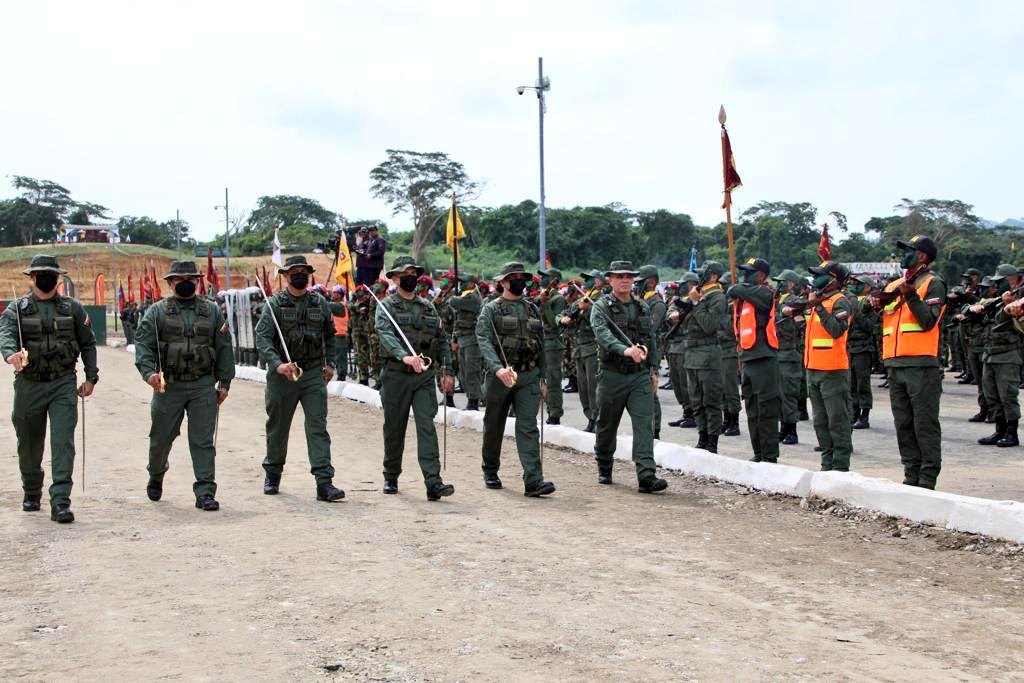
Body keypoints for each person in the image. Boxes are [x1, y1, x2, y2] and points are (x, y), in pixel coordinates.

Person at [0, 255, 97, 523]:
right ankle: (31, 491)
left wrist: (91, 376)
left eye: (50, 274)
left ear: (58, 278)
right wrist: (10, 354)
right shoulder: (17, 308)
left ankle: (61, 502)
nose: (45, 277)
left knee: (62, 441)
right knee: (29, 443)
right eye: (40, 273)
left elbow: (88, 343)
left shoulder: (73, 308)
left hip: (63, 383)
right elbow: (5, 333)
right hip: (29, 383)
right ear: (31, 278)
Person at [134, 261, 235, 510]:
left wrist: (225, 381)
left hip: (202, 384)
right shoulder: (157, 312)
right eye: (180, 279)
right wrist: (148, 373)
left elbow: (223, 347)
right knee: (160, 440)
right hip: (169, 386)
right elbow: (143, 345)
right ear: (170, 283)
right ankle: (156, 473)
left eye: (191, 277)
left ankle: (205, 491)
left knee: (202, 441)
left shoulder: (212, 311)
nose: (186, 282)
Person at [255, 255, 345, 502]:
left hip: (313, 373)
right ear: (285, 276)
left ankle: (324, 482)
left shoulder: (319, 302)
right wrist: (277, 365)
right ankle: (272, 474)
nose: (299, 274)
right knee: (278, 427)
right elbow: (262, 338)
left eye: (303, 271)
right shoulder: (274, 304)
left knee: (318, 426)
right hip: (284, 374)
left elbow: (330, 334)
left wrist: (330, 364)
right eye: (294, 271)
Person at [375, 256, 457, 500]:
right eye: (405, 274)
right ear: (395, 278)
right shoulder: (386, 307)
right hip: (396, 375)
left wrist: (448, 371)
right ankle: (391, 474)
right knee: (394, 428)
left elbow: (441, 340)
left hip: (424, 376)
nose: (411, 277)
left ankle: (433, 482)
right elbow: (385, 335)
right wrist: (404, 357)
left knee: (426, 426)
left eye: (414, 273)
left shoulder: (429, 307)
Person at [870, 234, 947, 489]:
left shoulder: (933, 283)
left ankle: (927, 479)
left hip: (921, 365)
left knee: (923, 424)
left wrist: (912, 296)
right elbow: (871, 310)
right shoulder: (895, 285)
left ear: (923, 256)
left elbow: (928, 321)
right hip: (895, 364)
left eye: (909, 250)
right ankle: (910, 475)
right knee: (903, 424)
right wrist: (872, 301)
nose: (904, 254)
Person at [475, 261, 555, 497]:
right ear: (502, 282)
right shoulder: (491, 309)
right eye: (514, 277)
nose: (519, 281)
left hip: (528, 376)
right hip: (501, 376)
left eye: (522, 277)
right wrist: (498, 369)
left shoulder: (532, 309)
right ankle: (490, 469)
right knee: (494, 425)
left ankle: (533, 480)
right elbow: (484, 339)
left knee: (528, 427)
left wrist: (543, 378)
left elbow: (541, 345)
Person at [591, 261, 668, 492]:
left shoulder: (642, 307)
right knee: (606, 426)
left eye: (629, 276)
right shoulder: (601, 306)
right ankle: (604, 464)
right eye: (619, 276)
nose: (625, 280)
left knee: (644, 424)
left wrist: (654, 369)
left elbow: (651, 339)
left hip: (639, 376)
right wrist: (624, 350)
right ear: (610, 280)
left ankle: (646, 475)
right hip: (612, 375)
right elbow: (602, 334)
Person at [729, 258, 781, 464]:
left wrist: (737, 287)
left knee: (767, 409)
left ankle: (769, 456)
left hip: (764, 358)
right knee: (752, 409)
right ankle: (758, 452)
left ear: (761, 276)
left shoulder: (764, 293)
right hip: (748, 358)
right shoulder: (746, 294)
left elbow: (733, 289)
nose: (745, 274)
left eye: (750, 272)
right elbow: (733, 291)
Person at [804, 260, 854, 471]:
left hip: (833, 370)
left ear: (833, 280)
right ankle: (827, 464)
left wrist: (819, 308)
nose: (815, 279)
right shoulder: (820, 300)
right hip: (813, 368)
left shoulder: (839, 301)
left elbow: (836, 330)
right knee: (820, 422)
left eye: (820, 275)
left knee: (837, 422)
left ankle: (840, 467)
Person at [674, 262, 725, 452]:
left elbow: (709, 325)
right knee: (696, 400)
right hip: (692, 353)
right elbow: (688, 325)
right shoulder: (700, 295)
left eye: (704, 275)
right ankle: (702, 438)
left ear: (713, 277)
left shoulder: (717, 297)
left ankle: (712, 442)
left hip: (708, 354)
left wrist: (696, 303)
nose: (699, 278)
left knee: (710, 401)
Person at [974, 264, 1022, 447]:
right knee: (991, 395)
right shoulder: (994, 301)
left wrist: (1010, 303)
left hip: (1008, 355)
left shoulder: (1019, 301)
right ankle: (999, 431)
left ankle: (1012, 433)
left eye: (999, 282)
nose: (995, 286)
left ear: (1010, 281)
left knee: (1008, 395)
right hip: (990, 355)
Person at [560, 274, 600, 432]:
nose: (587, 282)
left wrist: (586, 308)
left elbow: (597, 320)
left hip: (593, 349)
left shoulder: (601, 300)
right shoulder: (581, 300)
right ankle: (590, 417)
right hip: (580, 349)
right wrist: (567, 318)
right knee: (583, 387)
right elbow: (565, 314)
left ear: (599, 281)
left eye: (591, 279)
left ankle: (597, 419)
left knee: (593, 386)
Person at [773, 269, 807, 444]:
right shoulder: (777, 301)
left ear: (792, 284)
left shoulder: (794, 301)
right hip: (777, 353)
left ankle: (791, 430)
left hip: (788, 353)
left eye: (782, 282)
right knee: (778, 394)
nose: (779, 285)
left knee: (788, 394)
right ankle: (783, 427)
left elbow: (799, 321)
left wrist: (783, 312)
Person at [636, 265, 668, 439]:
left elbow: (650, 328)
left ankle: (655, 431)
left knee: (651, 393)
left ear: (652, 282)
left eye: (642, 281)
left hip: (650, 352)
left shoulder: (657, 303)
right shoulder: (640, 300)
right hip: (639, 351)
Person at [665, 272, 698, 429]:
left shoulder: (697, 301)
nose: (681, 286)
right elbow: (669, 313)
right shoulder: (678, 301)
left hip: (686, 346)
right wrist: (673, 313)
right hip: (674, 346)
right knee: (677, 383)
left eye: (685, 283)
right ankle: (686, 411)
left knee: (686, 383)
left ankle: (694, 414)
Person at [448, 274, 484, 410]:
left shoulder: (473, 298)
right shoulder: (464, 296)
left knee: (472, 371)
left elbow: (453, 301)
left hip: (473, 339)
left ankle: (474, 401)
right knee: (463, 372)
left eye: (463, 282)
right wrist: (454, 339)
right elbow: (457, 321)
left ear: (471, 284)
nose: (460, 284)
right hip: (463, 338)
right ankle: (470, 398)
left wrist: (454, 295)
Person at [847, 275, 879, 429]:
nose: (854, 285)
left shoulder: (871, 302)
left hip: (863, 348)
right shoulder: (851, 301)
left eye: (858, 283)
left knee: (862, 383)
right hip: (851, 347)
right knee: (852, 383)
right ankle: (854, 413)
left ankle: (864, 416)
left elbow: (870, 327)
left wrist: (856, 312)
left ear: (867, 286)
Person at [538, 268, 567, 425]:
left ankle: (555, 413)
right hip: (541, 341)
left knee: (553, 379)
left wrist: (545, 304)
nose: (542, 279)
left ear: (554, 280)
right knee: (540, 378)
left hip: (552, 343)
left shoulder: (558, 300)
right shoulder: (543, 296)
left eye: (546, 277)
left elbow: (555, 323)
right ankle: (548, 409)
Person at [719, 273, 742, 436]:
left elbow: (730, 328)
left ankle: (734, 421)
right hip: (720, 350)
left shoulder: (736, 305)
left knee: (730, 388)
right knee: (721, 388)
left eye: (725, 285)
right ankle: (726, 418)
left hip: (730, 350)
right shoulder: (723, 303)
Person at [328, 285, 350, 380]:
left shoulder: (340, 305)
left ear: (341, 295)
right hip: (336, 335)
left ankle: (341, 376)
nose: (332, 294)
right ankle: (340, 375)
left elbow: (326, 304)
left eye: (335, 293)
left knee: (340, 358)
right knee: (337, 357)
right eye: (332, 292)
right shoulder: (336, 305)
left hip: (341, 335)